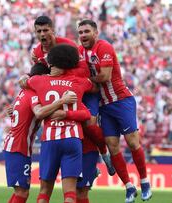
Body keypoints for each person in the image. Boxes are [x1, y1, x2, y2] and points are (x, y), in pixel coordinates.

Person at [27, 15, 115, 176]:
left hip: (80, 89)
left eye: (45, 30)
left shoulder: (68, 46)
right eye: (38, 31)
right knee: (57, 123)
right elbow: (40, 73)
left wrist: (61, 73)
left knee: (89, 122)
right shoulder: (37, 51)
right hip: (58, 92)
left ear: (53, 30)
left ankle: (104, 154)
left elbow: (84, 71)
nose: (42, 34)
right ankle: (86, 165)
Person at [77, 19, 150, 202]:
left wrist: (84, 79)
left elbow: (105, 76)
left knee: (133, 142)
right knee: (112, 145)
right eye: (80, 32)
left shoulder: (104, 47)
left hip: (121, 100)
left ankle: (145, 182)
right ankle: (129, 186)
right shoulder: (80, 52)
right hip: (104, 106)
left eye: (86, 31)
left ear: (95, 32)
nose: (83, 35)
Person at [25, 44, 95, 203]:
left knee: (44, 191)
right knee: (70, 193)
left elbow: (24, 82)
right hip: (73, 139)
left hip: (50, 139)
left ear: (51, 62)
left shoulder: (38, 81)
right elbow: (94, 86)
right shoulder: (79, 82)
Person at [3, 63, 78, 203]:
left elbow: (21, 112)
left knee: (21, 191)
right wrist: (62, 101)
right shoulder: (33, 93)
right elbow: (38, 112)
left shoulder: (23, 91)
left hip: (17, 144)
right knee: (22, 192)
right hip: (18, 146)